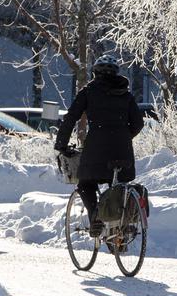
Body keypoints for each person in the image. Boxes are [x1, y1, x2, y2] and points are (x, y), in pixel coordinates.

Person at [53, 54, 145, 236]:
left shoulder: (89, 91)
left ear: (95, 73)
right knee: (119, 185)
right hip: (123, 149)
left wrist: (61, 144)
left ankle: (95, 217)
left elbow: (71, 118)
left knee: (86, 183)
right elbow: (138, 123)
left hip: (96, 148)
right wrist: (124, 136)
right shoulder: (126, 95)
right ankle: (122, 225)